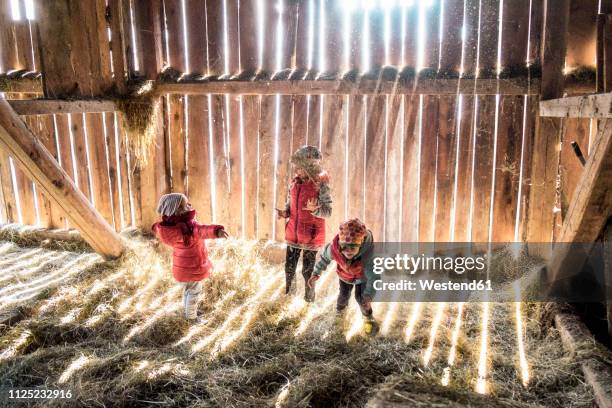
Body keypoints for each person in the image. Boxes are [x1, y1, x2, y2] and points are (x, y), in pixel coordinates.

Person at [152, 193, 228, 322]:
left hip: (181, 269)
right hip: (192, 268)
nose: (189, 205)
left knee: (188, 291)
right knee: (194, 292)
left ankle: (188, 311)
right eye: (185, 205)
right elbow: (202, 230)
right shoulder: (188, 227)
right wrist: (217, 231)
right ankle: (191, 318)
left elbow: (156, 228)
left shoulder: (168, 228)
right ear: (177, 211)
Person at [276, 145, 332, 302]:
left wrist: (315, 210)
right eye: (296, 167)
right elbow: (290, 204)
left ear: (310, 166)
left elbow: (328, 211)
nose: (296, 171)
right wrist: (285, 212)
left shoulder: (321, 184)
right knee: (289, 268)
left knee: (307, 272)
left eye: (300, 167)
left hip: (310, 237)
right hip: (293, 234)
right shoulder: (295, 182)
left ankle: (309, 300)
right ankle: (289, 297)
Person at [307, 218, 378, 335]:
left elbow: (374, 277)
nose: (348, 251)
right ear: (340, 245)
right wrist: (316, 273)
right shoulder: (333, 250)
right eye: (345, 247)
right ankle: (340, 317)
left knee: (361, 299)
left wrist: (369, 295)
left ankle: (368, 318)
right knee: (343, 296)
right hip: (344, 277)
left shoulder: (367, 257)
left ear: (360, 245)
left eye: (353, 247)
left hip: (362, 278)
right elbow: (324, 259)